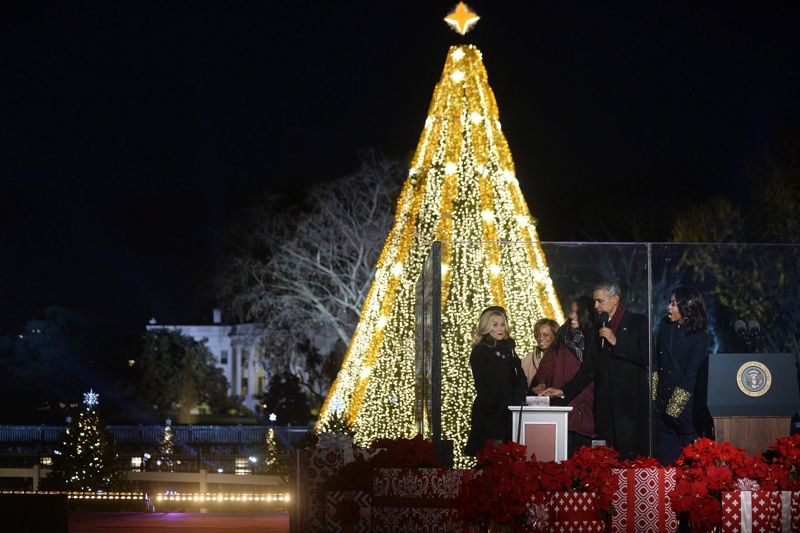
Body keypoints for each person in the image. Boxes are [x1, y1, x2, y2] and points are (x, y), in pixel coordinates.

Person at [541, 281, 651, 460]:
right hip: (604, 409)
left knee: (632, 460)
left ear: (615, 299)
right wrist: (563, 391)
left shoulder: (638, 323)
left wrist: (617, 343)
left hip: (631, 408)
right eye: (594, 301)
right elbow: (588, 370)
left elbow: (648, 356)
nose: (595, 306)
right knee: (606, 461)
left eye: (600, 301)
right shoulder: (594, 330)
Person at [532, 296, 598, 456]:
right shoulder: (562, 337)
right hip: (563, 410)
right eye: (571, 311)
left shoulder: (595, 340)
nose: (572, 316)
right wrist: (542, 382)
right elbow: (547, 365)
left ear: (587, 314)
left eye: (577, 312)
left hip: (587, 409)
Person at [653, 286, 709, 465]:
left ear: (687, 307)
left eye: (673, 303)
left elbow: (690, 375)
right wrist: (653, 396)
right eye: (669, 303)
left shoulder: (700, 337)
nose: (668, 307)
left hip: (685, 409)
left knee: (688, 465)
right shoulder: (665, 326)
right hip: (662, 403)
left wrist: (674, 409)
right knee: (666, 463)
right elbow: (656, 360)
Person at [464, 305, 527, 457]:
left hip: (508, 412)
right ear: (487, 327)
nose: (500, 329)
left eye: (502, 324)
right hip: (490, 414)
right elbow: (481, 384)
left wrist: (518, 400)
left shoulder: (508, 349)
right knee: (490, 459)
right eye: (495, 325)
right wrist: (493, 405)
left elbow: (520, 378)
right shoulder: (481, 350)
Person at [521, 318, 559, 391]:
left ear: (555, 335)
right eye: (538, 335)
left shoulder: (562, 356)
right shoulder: (528, 360)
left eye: (545, 335)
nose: (541, 338)